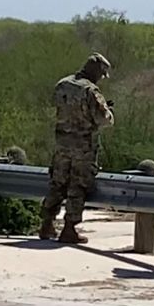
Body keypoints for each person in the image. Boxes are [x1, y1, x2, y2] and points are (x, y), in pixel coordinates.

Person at [39, 53, 115, 244]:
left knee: (57, 182)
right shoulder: (90, 91)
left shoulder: (62, 84)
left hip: (62, 143)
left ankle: (46, 223)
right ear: (97, 72)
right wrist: (109, 111)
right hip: (82, 146)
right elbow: (104, 119)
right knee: (77, 186)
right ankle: (69, 228)